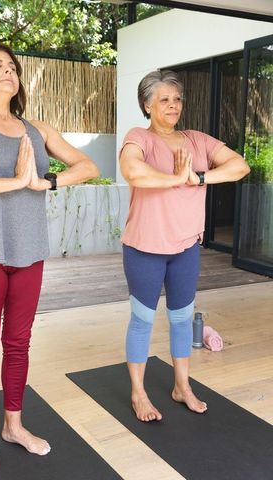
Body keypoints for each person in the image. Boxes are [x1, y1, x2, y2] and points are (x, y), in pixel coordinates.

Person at [0, 43, 99, 473]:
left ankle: (13, 425)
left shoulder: (38, 128)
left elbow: (87, 166)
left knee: (18, 343)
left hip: (30, 248)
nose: (9, 72)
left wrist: (45, 183)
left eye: (13, 67)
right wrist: (16, 181)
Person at [119, 70, 250, 422]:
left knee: (180, 320)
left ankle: (182, 386)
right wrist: (176, 179)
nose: (173, 105)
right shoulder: (139, 137)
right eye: (164, 99)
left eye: (177, 99)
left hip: (185, 248)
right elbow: (133, 172)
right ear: (147, 105)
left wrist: (201, 177)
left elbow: (240, 166)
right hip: (144, 247)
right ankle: (138, 393)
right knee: (143, 320)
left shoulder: (197, 140)